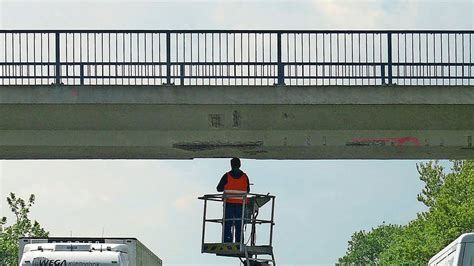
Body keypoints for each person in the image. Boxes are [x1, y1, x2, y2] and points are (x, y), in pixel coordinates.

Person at [216, 157, 250, 243]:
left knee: (228, 223)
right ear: (240, 165)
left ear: (231, 165)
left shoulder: (227, 176)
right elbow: (248, 190)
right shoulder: (245, 177)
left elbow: (218, 188)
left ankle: (227, 241)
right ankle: (239, 242)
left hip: (229, 203)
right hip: (241, 204)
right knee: (239, 224)